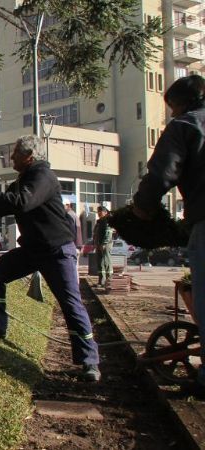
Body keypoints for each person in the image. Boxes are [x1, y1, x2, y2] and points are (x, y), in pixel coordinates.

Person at [0, 134, 100, 382]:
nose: (11, 158)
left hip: (56, 251)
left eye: (16, 154)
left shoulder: (43, 177)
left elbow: (22, 203)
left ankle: (89, 361)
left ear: (29, 157)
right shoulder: (23, 180)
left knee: (70, 304)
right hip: (33, 249)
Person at [132, 74, 205, 393]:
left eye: (172, 107)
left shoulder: (186, 126)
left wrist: (142, 207)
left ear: (183, 103)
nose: (172, 114)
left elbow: (163, 171)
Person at [93, 206, 113, 287]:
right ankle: (101, 281)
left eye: (100, 212)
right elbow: (96, 233)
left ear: (105, 212)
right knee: (100, 262)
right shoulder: (99, 221)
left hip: (105, 244)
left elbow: (108, 233)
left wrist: (104, 243)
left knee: (106, 261)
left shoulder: (107, 221)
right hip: (99, 244)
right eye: (98, 212)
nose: (99, 213)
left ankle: (109, 281)